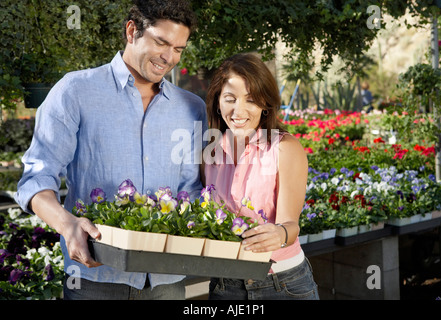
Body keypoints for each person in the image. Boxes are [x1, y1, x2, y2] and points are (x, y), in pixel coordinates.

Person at [15, 0, 207, 300]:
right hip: (95, 277)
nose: (169, 57)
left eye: (179, 49)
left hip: (167, 282)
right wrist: (68, 225)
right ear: (132, 31)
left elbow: (190, 189)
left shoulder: (191, 108)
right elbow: (37, 177)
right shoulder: (75, 91)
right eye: (161, 42)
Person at [201, 53, 319, 300]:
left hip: (282, 282)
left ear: (265, 105)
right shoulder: (209, 154)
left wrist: (279, 234)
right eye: (230, 99)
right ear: (217, 101)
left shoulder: (284, 148)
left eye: (251, 100)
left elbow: (291, 225)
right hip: (226, 285)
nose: (238, 110)